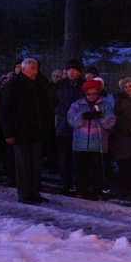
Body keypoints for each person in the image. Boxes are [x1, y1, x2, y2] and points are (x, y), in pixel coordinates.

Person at [0, 58, 53, 205]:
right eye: (32, 68)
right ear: (23, 69)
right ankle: (24, 194)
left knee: (36, 165)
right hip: (20, 132)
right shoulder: (13, 85)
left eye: (36, 68)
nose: (35, 71)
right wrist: (8, 133)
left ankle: (35, 192)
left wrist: (47, 128)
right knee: (23, 165)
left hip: (37, 131)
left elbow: (46, 108)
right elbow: (5, 111)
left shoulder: (40, 84)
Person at [67, 80, 116, 200]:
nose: (92, 96)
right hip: (80, 143)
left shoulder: (105, 105)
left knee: (97, 169)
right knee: (80, 169)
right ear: (85, 94)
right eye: (89, 94)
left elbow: (110, 123)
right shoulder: (77, 104)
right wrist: (82, 116)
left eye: (94, 94)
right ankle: (81, 190)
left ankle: (98, 190)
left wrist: (101, 116)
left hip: (98, 143)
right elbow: (70, 120)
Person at [50, 59, 85, 195]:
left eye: (74, 70)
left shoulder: (83, 85)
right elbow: (51, 102)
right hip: (63, 125)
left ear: (79, 72)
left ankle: (79, 184)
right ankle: (66, 184)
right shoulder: (59, 85)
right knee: (64, 158)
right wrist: (62, 110)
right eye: (69, 70)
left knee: (78, 158)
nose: (71, 72)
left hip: (79, 126)